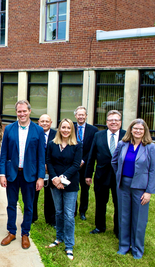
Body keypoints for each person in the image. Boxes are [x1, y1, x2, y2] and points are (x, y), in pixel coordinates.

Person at [0, 100, 45, 249]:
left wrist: (40, 177)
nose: (22, 114)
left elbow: (41, 156)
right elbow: (4, 153)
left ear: (29, 111)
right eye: (19, 111)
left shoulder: (38, 130)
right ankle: (11, 232)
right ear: (16, 112)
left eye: (24, 111)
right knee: (11, 204)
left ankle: (25, 233)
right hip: (12, 174)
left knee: (29, 205)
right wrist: (2, 173)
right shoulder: (9, 129)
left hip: (30, 175)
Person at [111, 119, 155, 259]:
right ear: (130, 130)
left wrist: (149, 191)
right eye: (135, 128)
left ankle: (137, 249)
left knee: (139, 219)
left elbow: (153, 170)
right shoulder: (122, 144)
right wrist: (120, 174)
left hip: (141, 188)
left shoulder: (150, 147)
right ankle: (124, 245)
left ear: (145, 131)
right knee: (124, 216)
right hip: (123, 185)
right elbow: (114, 161)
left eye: (141, 129)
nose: (138, 131)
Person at [85, 110, 126, 238]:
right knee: (100, 202)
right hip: (101, 175)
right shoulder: (99, 135)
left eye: (116, 120)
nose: (113, 122)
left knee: (119, 203)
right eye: (111, 120)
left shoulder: (126, 136)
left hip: (120, 177)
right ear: (106, 122)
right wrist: (88, 174)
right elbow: (91, 156)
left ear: (120, 122)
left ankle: (118, 230)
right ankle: (100, 226)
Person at [46, 118, 82, 261]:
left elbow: (76, 164)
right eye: (63, 127)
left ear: (72, 130)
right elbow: (49, 161)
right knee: (59, 211)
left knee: (68, 214)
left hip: (70, 184)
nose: (66, 130)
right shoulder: (52, 144)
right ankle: (59, 238)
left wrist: (63, 178)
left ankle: (69, 245)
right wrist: (55, 178)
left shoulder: (77, 145)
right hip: (55, 183)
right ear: (59, 129)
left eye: (68, 128)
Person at [73, 106, 97, 220]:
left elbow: (93, 149)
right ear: (75, 116)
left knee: (84, 189)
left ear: (86, 116)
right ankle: (73, 210)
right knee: (73, 188)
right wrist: (76, 161)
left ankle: (83, 211)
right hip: (73, 164)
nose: (81, 116)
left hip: (86, 165)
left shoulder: (93, 130)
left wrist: (83, 160)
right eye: (79, 114)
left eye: (83, 114)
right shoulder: (70, 128)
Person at [33, 114, 56, 226]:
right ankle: (32, 217)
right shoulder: (33, 134)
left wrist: (48, 165)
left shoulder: (56, 135)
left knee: (50, 196)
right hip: (35, 169)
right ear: (38, 122)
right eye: (42, 121)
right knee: (33, 194)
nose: (45, 123)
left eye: (47, 121)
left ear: (51, 123)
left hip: (51, 170)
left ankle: (51, 219)